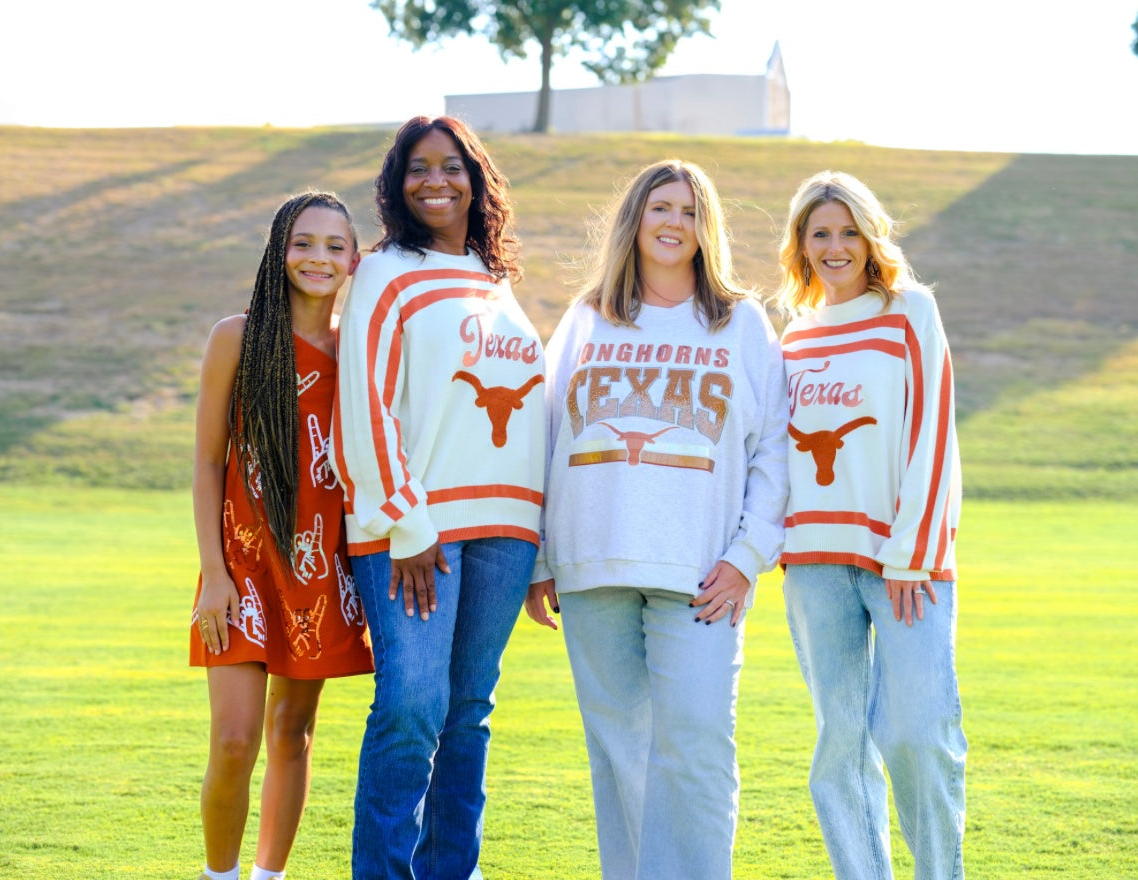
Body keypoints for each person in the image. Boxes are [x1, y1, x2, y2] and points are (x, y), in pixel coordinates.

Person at [524, 160, 789, 880]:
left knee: (698, 743)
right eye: (659, 208)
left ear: (707, 230)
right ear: (633, 221)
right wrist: (542, 560)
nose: (673, 224)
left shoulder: (739, 323)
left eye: (689, 211)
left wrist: (747, 554)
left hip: (702, 570)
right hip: (593, 564)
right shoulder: (586, 317)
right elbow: (542, 436)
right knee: (619, 749)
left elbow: (775, 447)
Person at [329, 116, 545, 880]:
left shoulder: (497, 282)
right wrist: (407, 523)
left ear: (475, 177)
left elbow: (533, 419)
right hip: (415, 532)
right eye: (418, 167)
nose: (435, 181)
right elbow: (365, 401)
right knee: (411, 705)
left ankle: (452, 870)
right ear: (397, 181)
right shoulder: (384, 272)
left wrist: (541, 548)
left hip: (507, 532)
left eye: (451, 166)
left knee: (467, 713)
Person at [775, 170, 966, 880]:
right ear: (800, 244)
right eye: (819, 233)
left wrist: (913, 552)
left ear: (869, 236)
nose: (834, 246)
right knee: (840, 744)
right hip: (813, 562)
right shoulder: (793, 336)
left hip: (904, 562)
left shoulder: (908, 311)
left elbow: (932, 428)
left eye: (848, 231)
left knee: (917, 732)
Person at [189, 191, 374, 880]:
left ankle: (270, 876)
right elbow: (209, 462)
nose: (318, 257)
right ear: (279, 250)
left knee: (291, 734)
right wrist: (213, 573)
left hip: (321, 571)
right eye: (303, 242)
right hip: (239, 565)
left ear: (355, 258)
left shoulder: (361, 348)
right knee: (233, 740)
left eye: (334, 245)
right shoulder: (235, 337)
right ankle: (221, 875)